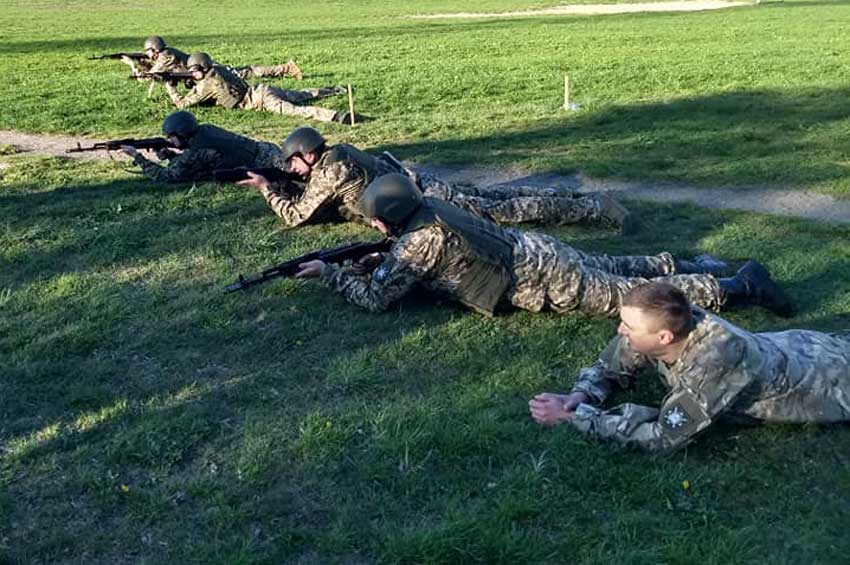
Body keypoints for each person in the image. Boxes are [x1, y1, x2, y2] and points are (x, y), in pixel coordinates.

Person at [291, 173, 795, 319]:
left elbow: (379, 299)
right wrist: (380, 259)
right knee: (618, 264)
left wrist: (330, 274)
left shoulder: (414, 244)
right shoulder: (431, 210)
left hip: (539, 277)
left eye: (379, 222)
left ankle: (736, 284)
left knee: (631, 297)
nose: (375, 227)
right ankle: (696, 262)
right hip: (536, 249)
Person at [529, 282, 849, 453]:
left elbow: (664, 436)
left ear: (665, 337)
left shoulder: (715, 362)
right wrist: (583, 394)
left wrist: (574, 418)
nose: (620, 331)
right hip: (803, 347)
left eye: (627, 325)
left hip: (833, 380)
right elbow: (615, 360)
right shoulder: (665, 320)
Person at [238, 127, 635, 232]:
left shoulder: (330, 171)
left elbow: (298, 216)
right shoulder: (338, 151)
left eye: (293, 163)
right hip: (414, 183)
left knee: (505, 211)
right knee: (498, 196)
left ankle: (594, 207)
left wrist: (269, 189)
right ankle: (581, 198)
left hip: (420, 199)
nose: (291, 169)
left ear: (309, 155)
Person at [164, 53, 349, 124]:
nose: (192, 74)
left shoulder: (206, 85)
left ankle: (336, 116)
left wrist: (170, 87)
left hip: (259, 100)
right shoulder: (217, 69)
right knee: (301, 94)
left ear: (202, 69)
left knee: (297, 110)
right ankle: (334, 89)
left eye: (194, 71)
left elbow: (183, 104)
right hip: (261, 89)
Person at [120, 111, 287, 183]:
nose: (169, 139)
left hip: (263, 165)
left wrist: (137, 157)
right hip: (266, 149)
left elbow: (167, 176)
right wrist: (171, 155)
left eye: (171, 136)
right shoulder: (205, 130)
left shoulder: (194, 152)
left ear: (182, 133)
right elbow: (204, 160)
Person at [120, 35, 302, 80]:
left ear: (155, 49)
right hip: (202, 69)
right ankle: (286, 68)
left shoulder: (166, 57)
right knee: (246, 71)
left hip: (208, 70)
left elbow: (149, 77)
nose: (147, 54)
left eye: (148, 51)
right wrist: (141, 62)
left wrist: (132, 65)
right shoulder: (166, 54)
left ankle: (286, 68)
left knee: (245, 72)